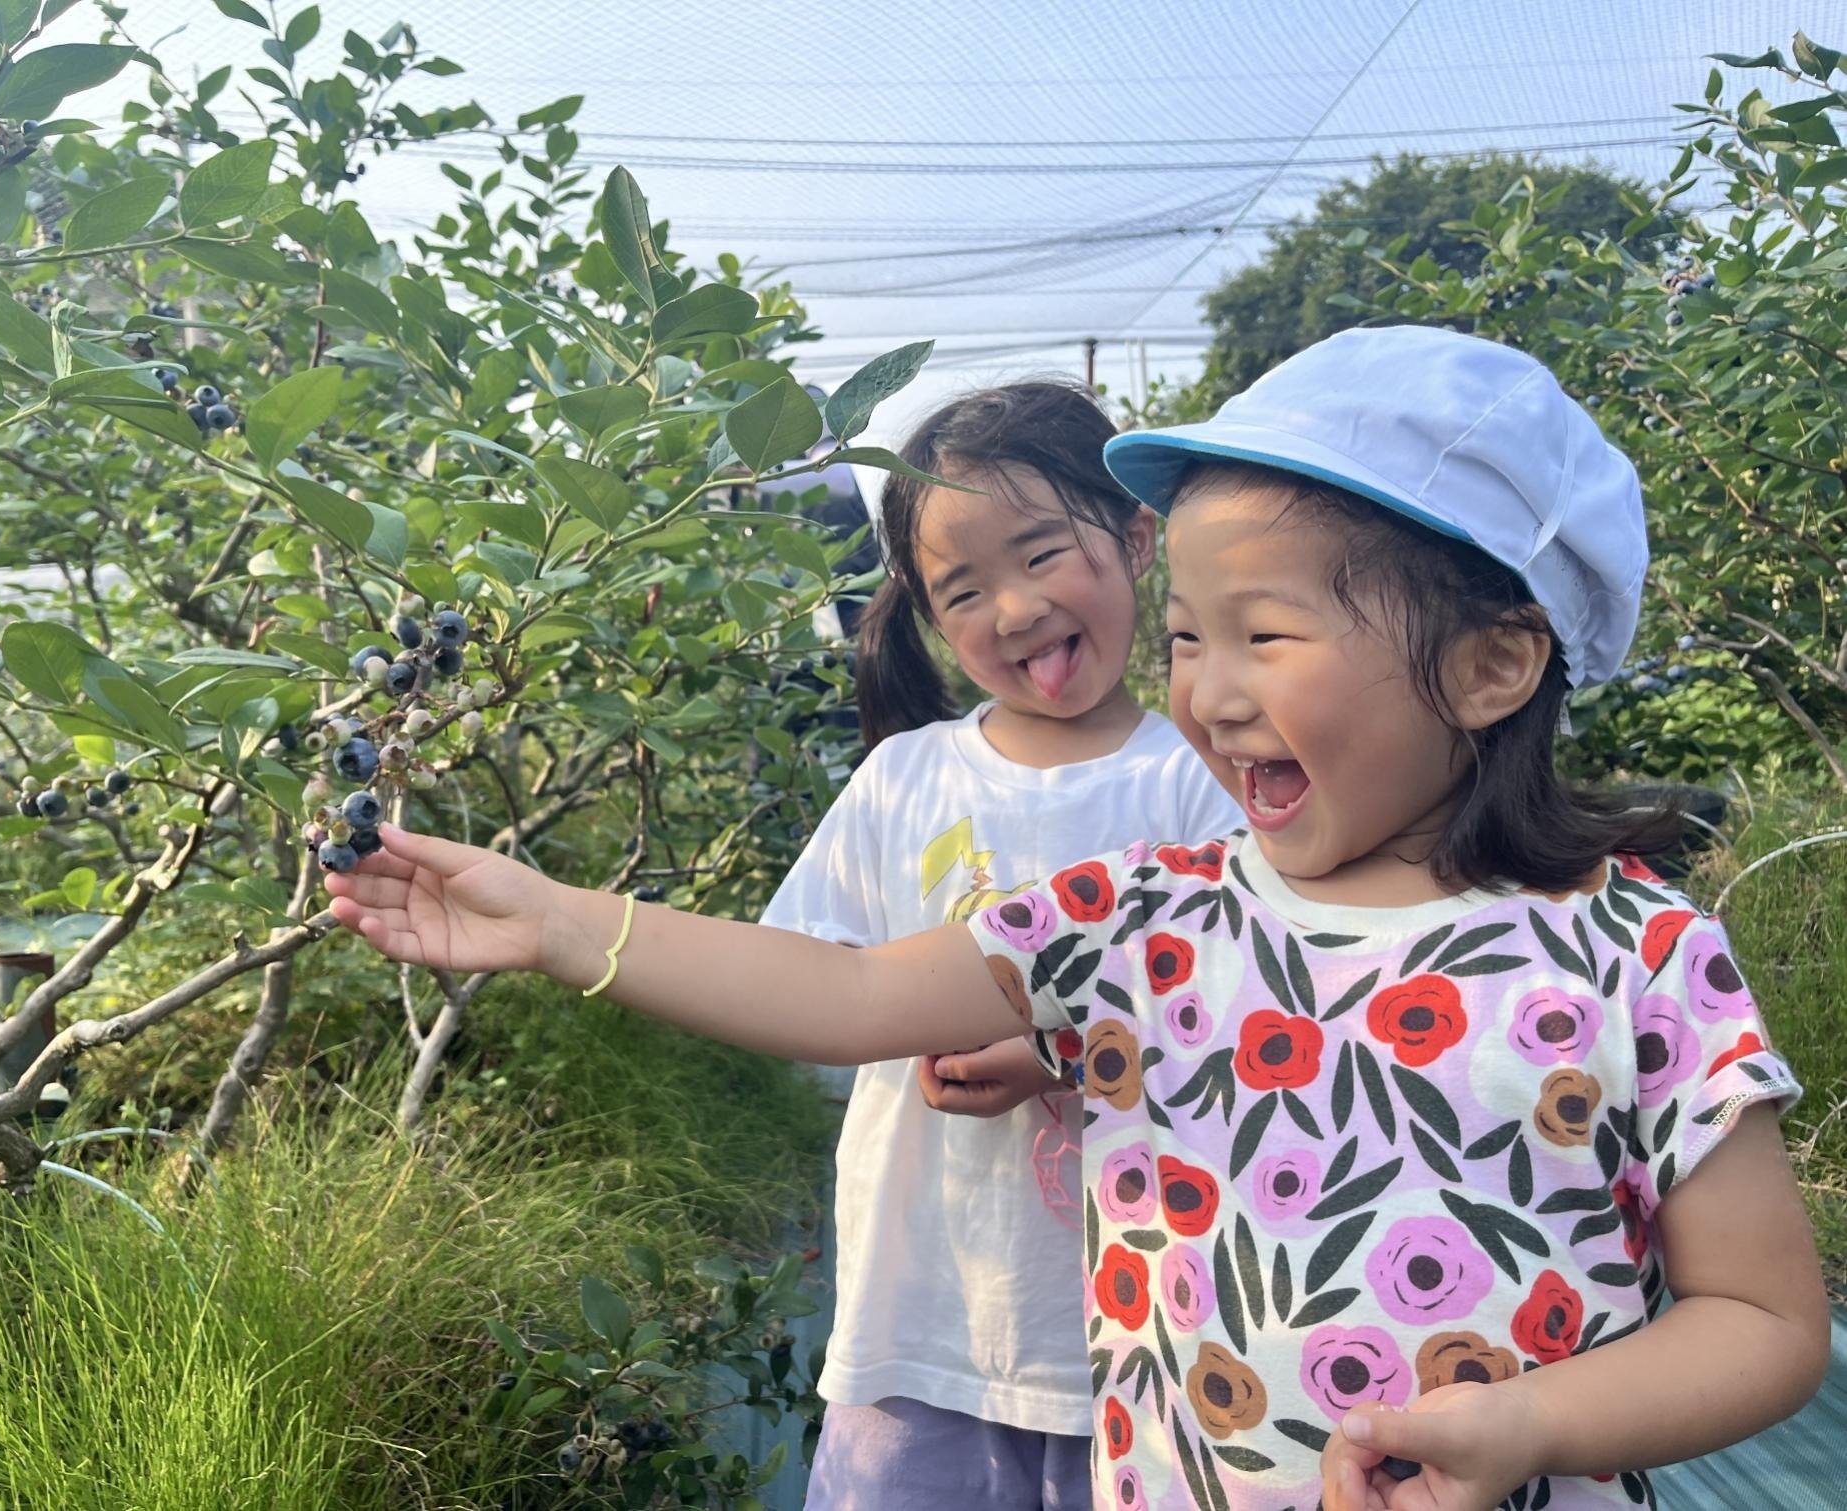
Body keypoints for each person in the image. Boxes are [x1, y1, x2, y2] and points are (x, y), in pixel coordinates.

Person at [325, 326, 1829, 1511]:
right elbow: (846, 993)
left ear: (1492, 665)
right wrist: (561, 920)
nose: (1205, 690)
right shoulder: (1145, 917)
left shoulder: (1634, 953)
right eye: (1184, 637)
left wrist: (1533, 1422)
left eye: (1263, 633)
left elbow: (1762, 1318)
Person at [759, 381, 1240, 1511]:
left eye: (1040, 555)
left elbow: (1243, 1017)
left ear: (1136, 538)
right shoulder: (905, 777)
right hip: (920, 1326)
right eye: (963, 591)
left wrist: (1058, 1055)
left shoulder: (1196, 780)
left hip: (1138, 1342)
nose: (1013, 610)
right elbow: (807, 974)